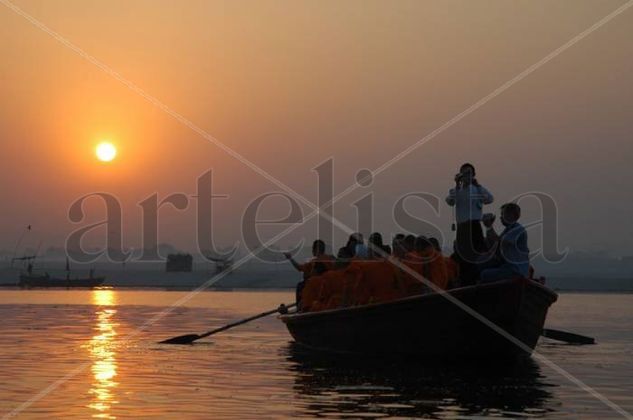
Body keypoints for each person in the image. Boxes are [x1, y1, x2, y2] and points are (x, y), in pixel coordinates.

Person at [446, 163, 494, 285]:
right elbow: (450, 201)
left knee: (478, 252)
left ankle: (479, 278)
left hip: (475, 226)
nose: (466, 176)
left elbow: (489, 199)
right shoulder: (457, 190)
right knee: (463, 255)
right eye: (464, 173)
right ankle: (465, 280)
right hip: (462, 227)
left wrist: (478, 185)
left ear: (473, 175)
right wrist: (457, 184)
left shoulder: (477, 189)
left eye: (469, 173)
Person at [479, 203, 529, 283]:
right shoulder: (507, 231)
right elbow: (493, 246)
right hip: (508, 268)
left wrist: (489, 226)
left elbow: (499, 243)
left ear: (511, 215)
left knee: (484, 274)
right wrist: (488, 227)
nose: (500, 217)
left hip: (515, 271)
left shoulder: (517, 229)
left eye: (502, 214)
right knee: (480, 264)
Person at [285, 240, 335, 309]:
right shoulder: (331, 259)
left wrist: (290, 258)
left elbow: (299, 268)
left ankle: (300, 307)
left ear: (316, 249)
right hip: (328, 288)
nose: (312, 251)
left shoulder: (314, 262)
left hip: (317, 288)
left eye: (313, 249)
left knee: (300, 285)